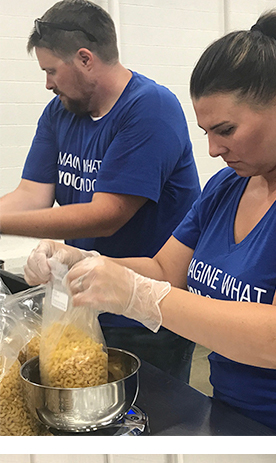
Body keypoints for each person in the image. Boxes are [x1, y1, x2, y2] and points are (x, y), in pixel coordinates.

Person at [24, 12, 276, 434]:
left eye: (226, 130)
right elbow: (167, 270)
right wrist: (81, 260)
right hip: (224, 408)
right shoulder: (225, 188)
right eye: (205, 131)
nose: (213, 149)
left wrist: (140, 296)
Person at [0, 0, 200, 380]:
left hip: (145, 312)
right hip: (83, 303)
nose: (47, 84)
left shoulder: (150, 109)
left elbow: (106, 214)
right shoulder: (60, 111)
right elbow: (31, 195)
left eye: (51, 71)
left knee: (150, 417)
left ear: (85, 59)